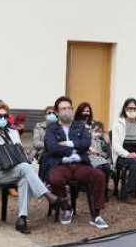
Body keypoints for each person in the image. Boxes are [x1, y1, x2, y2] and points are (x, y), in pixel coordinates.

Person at [0, 101, 67, 234]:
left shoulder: (13, 132)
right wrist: (5, 154)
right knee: (25, 168)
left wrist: (19, 154)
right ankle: (49, 197)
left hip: (13, 170)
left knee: (25, 178)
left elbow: (18, 151)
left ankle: (22, 219)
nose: (2, 119)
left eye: (5, 116)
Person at [43, 96, 108, 228]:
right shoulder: (51, 129)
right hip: (60, 165)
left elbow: (86, 143)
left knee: (99, 176)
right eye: (63, 109)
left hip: (80, 165)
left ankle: (96, 215)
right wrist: (74, 148)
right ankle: (67, 208)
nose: (66, 111)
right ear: (56, 112)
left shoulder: (80, 126)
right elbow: (52, 147)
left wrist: (67, 143)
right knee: (55, 179)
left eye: (69, 108)